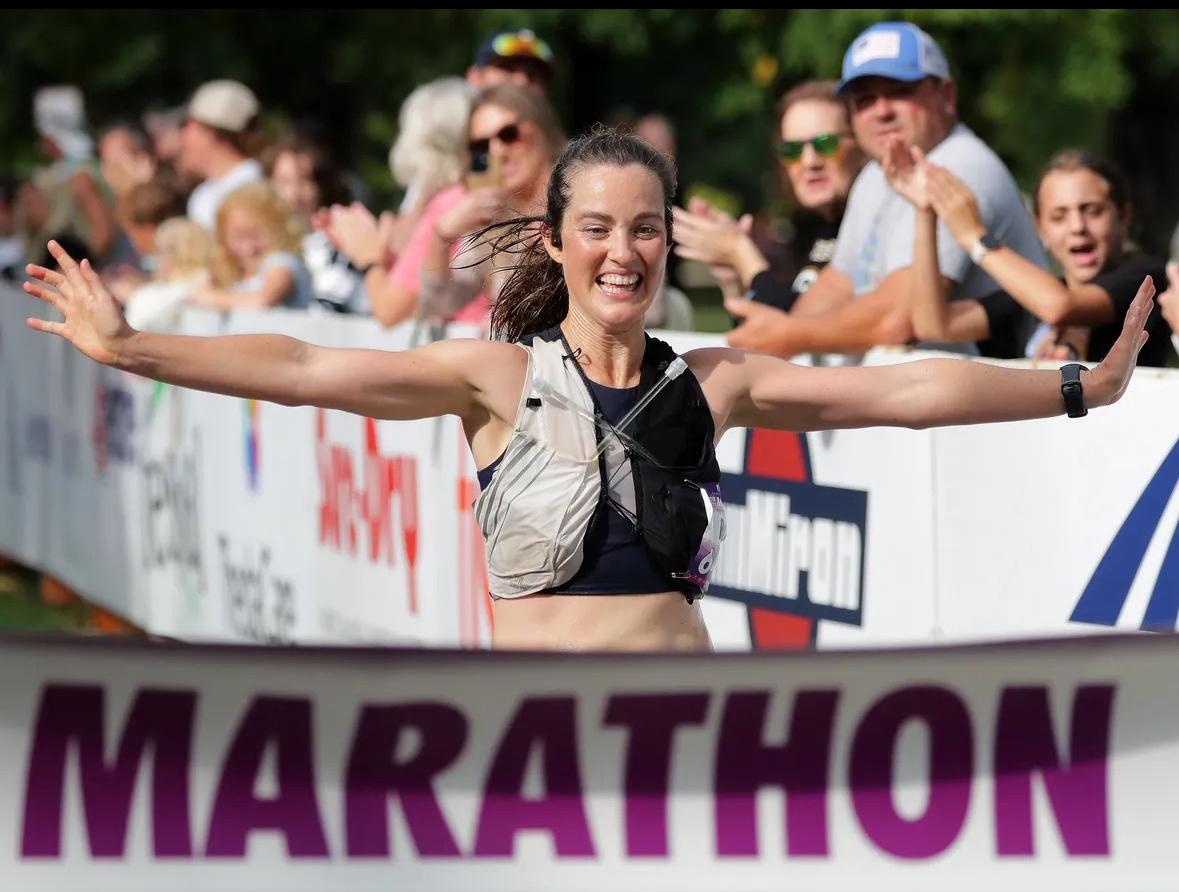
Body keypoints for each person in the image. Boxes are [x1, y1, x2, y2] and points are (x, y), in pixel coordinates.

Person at [20, 129, 1155, 653]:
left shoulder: (718, 382)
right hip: (537, 748)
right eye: (598, 228)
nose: (625, 251)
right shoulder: (492, 378)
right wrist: (134, 352)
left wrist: (1076, 386)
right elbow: (309, 369)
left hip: (685, 735)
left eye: (647, 230)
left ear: (669, 248)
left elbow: (907, 392)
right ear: (557, 243)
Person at [726, 21, 1046, 359]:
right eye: (864, 100)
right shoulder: (877, 171)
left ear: (946, 96)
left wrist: (790, 336)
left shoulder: (958, 167)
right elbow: (839, 283)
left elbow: (899, 317)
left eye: (899, 92)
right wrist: (780, 340)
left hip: (1007, 395)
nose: (882, 111)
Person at [884, 145, 1173, 364]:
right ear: (1040, 229)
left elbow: (1059, 307)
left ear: (1124, 217)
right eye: (1058, 217)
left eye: (1093, 211)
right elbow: (932, 324)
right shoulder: (1032, 298)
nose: (1077, 227)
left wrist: (974, 238)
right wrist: (924, 212)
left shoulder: (1145, 278)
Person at [673, 79, 863, 312]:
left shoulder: (873, 226)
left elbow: (801, 325)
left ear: (861, 143)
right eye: (792, 150)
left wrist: (742, 255)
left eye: (825, 144)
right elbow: (765, 336)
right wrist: (734, 281)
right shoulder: (807, 231)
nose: (809, 161)